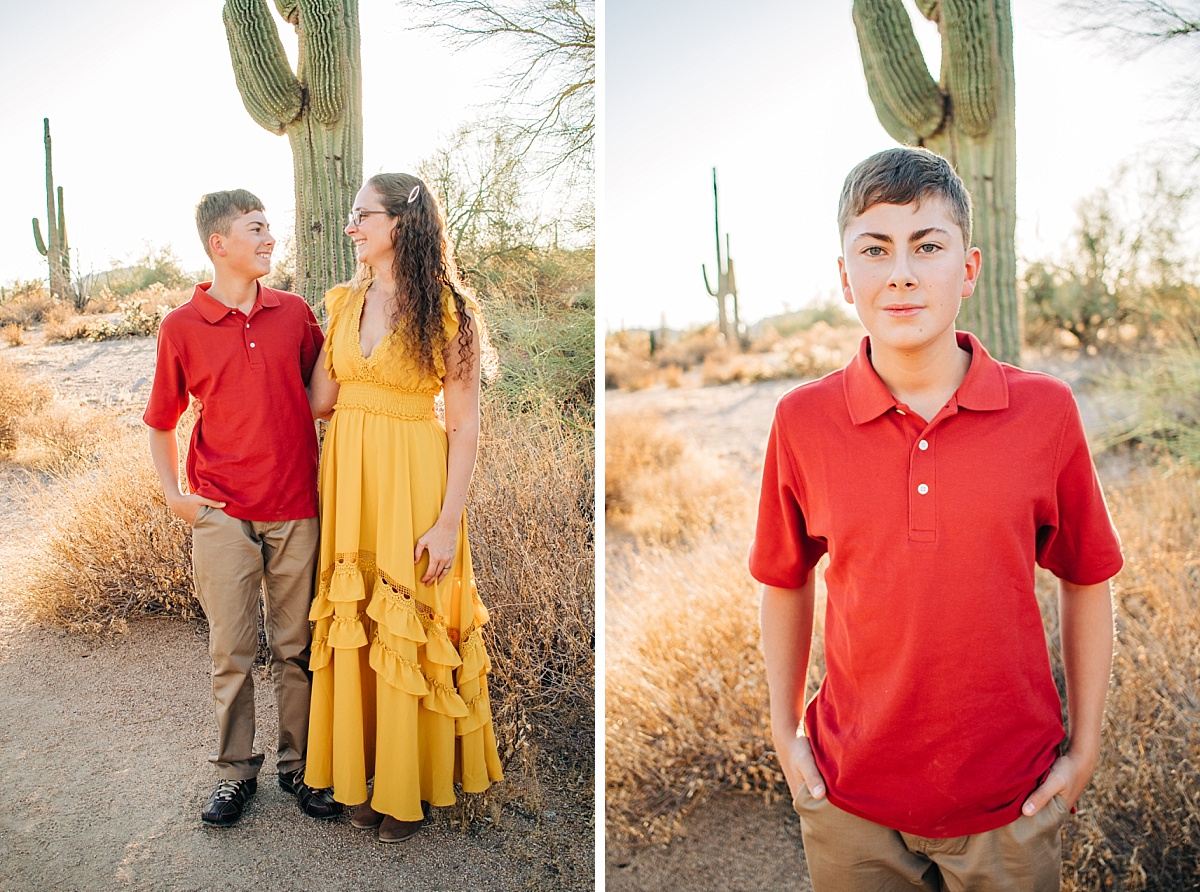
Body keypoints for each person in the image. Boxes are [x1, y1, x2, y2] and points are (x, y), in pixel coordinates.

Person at [750, 147, 1123, 891]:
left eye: (928, 246)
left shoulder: (1045, 412)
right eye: (875, 249)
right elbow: (784, 580)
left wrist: (1084, 752)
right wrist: (785, 734)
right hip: (848, 796)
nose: (902, 273)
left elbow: (1088, 579)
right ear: (844, 275)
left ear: (970, 267)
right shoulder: (803, 420)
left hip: (1010, 800)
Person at [303, 172, 504, 844]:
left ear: (402, 224)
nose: (351, 226)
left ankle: (409, 787)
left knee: (405, 622)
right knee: (359, 620)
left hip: (413, 482)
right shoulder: (343, 302)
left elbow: (467, 426)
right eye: (352, 214)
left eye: (362, 214)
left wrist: (447, 522)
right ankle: (364, 776)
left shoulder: (449, 311)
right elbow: (320, 401)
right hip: (350, 478)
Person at [144, 189, 342, 827]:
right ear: (218, 244)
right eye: (256, 230)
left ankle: (301, 769)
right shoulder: (180, 326)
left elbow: (321, 396)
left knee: (296, 646)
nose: (269, 239)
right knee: (231, 649)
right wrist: (176, 495)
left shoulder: (294, 313)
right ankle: (234, 775)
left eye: (270, 229)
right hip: (222, 510)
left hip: (295, 504)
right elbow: (161, 420)